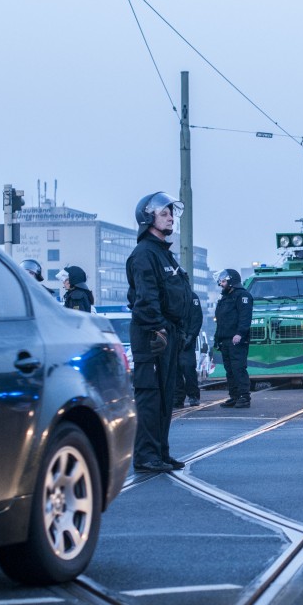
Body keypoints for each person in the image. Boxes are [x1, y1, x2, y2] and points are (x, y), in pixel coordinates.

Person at [127, 191, 193, 472]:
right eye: (164, 213)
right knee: (150, 397)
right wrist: (157, 329)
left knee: (165, 397)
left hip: (168, 333)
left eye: (171, 213)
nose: (170, 217)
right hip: (152, 336)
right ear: (148, 217)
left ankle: (160, 452)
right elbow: (145, 298)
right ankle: (145, 455)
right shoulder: (144, 254)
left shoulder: (164, 254)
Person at [214, 268, 254, 408]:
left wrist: (240, 333)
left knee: (238, 368)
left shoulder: (242, 296)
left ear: (231, 282)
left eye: (223, 281)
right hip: (225, 339)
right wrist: (217, 338)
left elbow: (245, 317)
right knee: (229, 369)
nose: (221, 284)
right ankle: (234, 396)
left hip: (236, 339)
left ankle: (244, 396)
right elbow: (220, 320)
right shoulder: (224, 297)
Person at [173, 287, 204, 408]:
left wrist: (191, 336)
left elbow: (196, 318)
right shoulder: (171, 294)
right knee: (175, 370)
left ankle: (192, 396)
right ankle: (178, 397)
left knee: (188, 368)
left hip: (185, 338)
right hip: (176, 337)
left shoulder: (191, 297)